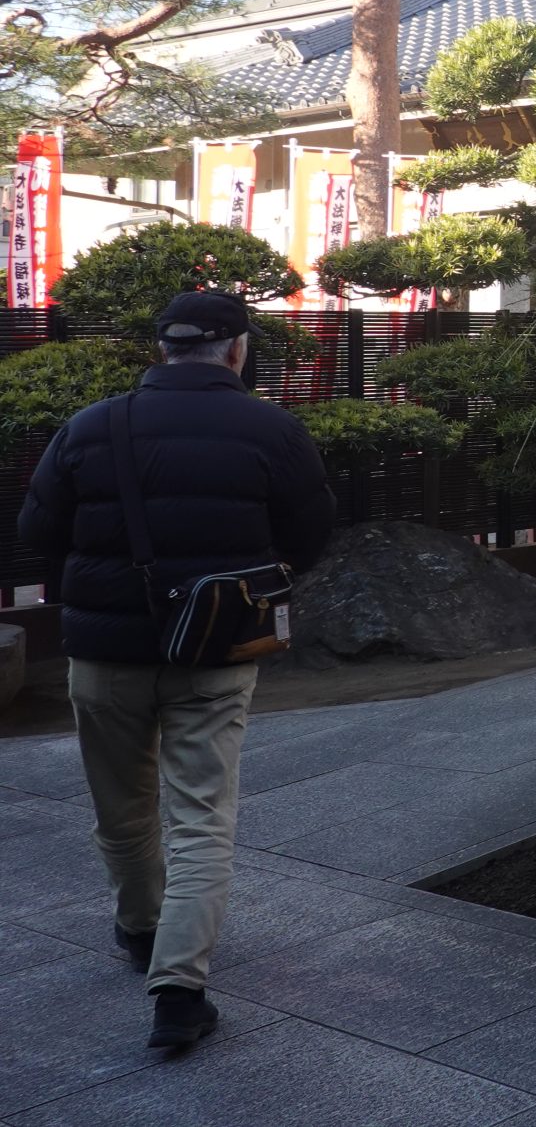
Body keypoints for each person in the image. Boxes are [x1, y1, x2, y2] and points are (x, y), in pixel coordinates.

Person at [17, 289, 333, 1051]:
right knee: (201, 819)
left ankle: (138, 926)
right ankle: (179, 991)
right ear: (237, 348)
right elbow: (312, 534)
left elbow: (35, 530)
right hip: (217, 654)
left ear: (161, 349)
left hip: (104, 658)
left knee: (122, 808)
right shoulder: (273, 428)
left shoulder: (92, 425)